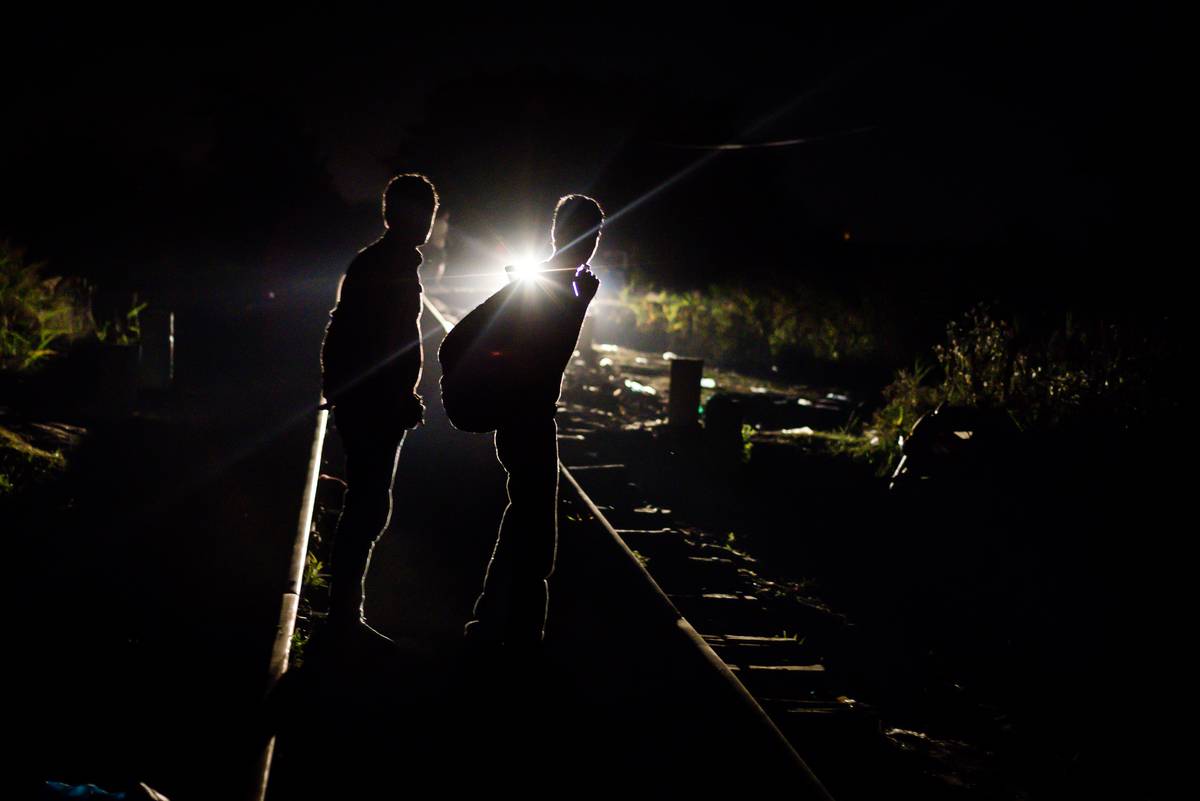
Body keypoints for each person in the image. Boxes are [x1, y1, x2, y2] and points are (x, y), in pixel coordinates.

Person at [455, 194, 603, 647]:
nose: (592, 242)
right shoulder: (550, 285)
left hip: (524, 415)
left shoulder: (546, 280)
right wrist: (580, 306)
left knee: (524, 518)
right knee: (537, 532)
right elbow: (550, 357)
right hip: (527, 418)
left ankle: (494, 619)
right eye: (590, 233)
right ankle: (519, 635)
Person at [319, 173, 438, 641]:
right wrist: (391, 396)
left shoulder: (387, 262)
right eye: (421, 213)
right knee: (367, 506)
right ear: (397, 215)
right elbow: (377, 341)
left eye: (429, 214)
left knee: (368, 504)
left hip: (375, 403)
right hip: (374, 406)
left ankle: (346, 611)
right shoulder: (384, 265)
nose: (427, 223)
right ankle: (344, 617)